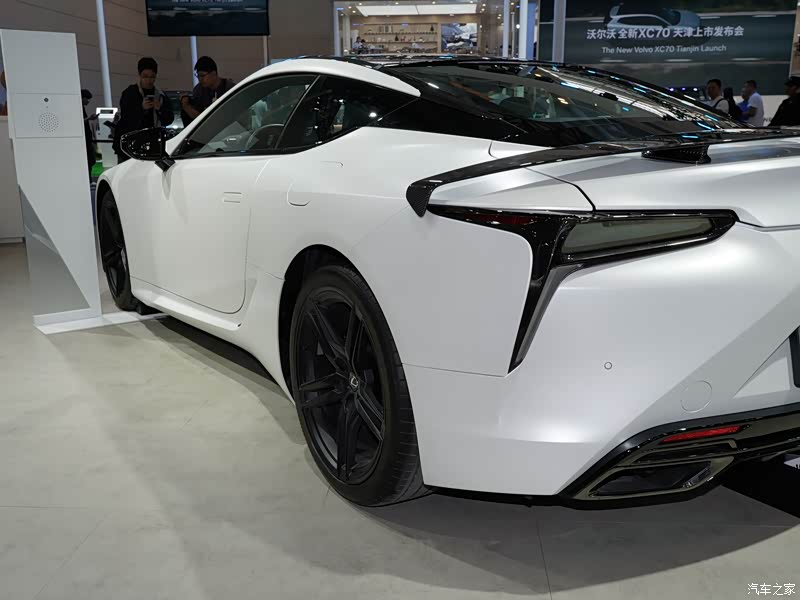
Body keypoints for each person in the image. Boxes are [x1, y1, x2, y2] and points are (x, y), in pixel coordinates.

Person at [112, 57, 174, 163]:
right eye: (145, 76)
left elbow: (168, 119)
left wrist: (160, 109)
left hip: (152, 145)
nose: (149, 80)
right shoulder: (130, 93)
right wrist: (142, 109)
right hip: (129, 146)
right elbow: (126, 119)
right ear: (139, 75)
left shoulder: (160, 96)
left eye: (152, 77)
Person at [180, 56, 235, 125]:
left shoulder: (229, 88)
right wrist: (186, 106)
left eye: (203, 75)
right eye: (198, 76)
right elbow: (199, 118)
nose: (200, 79)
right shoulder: (198, 90)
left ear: (214, 73)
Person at [81, 89, 97, 174]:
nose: (88, 101)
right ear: (82, 98)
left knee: (91, 160)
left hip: (88, 138)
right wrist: (89, 118)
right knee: (89, 159)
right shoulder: (79, 108)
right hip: (85, 140)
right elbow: (79, 122)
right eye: (87, 99)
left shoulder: (82, 108)